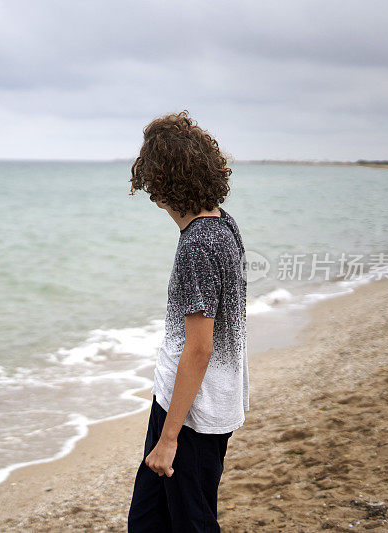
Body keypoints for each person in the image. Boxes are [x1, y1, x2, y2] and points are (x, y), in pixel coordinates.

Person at [126, 110, 249, 532]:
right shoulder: (222, 223)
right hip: (191, 403)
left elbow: (199, 348)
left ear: (161, 184)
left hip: (193, 415)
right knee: (146, 521)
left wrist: (169, 438)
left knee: (192, 524)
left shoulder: (198, 244)